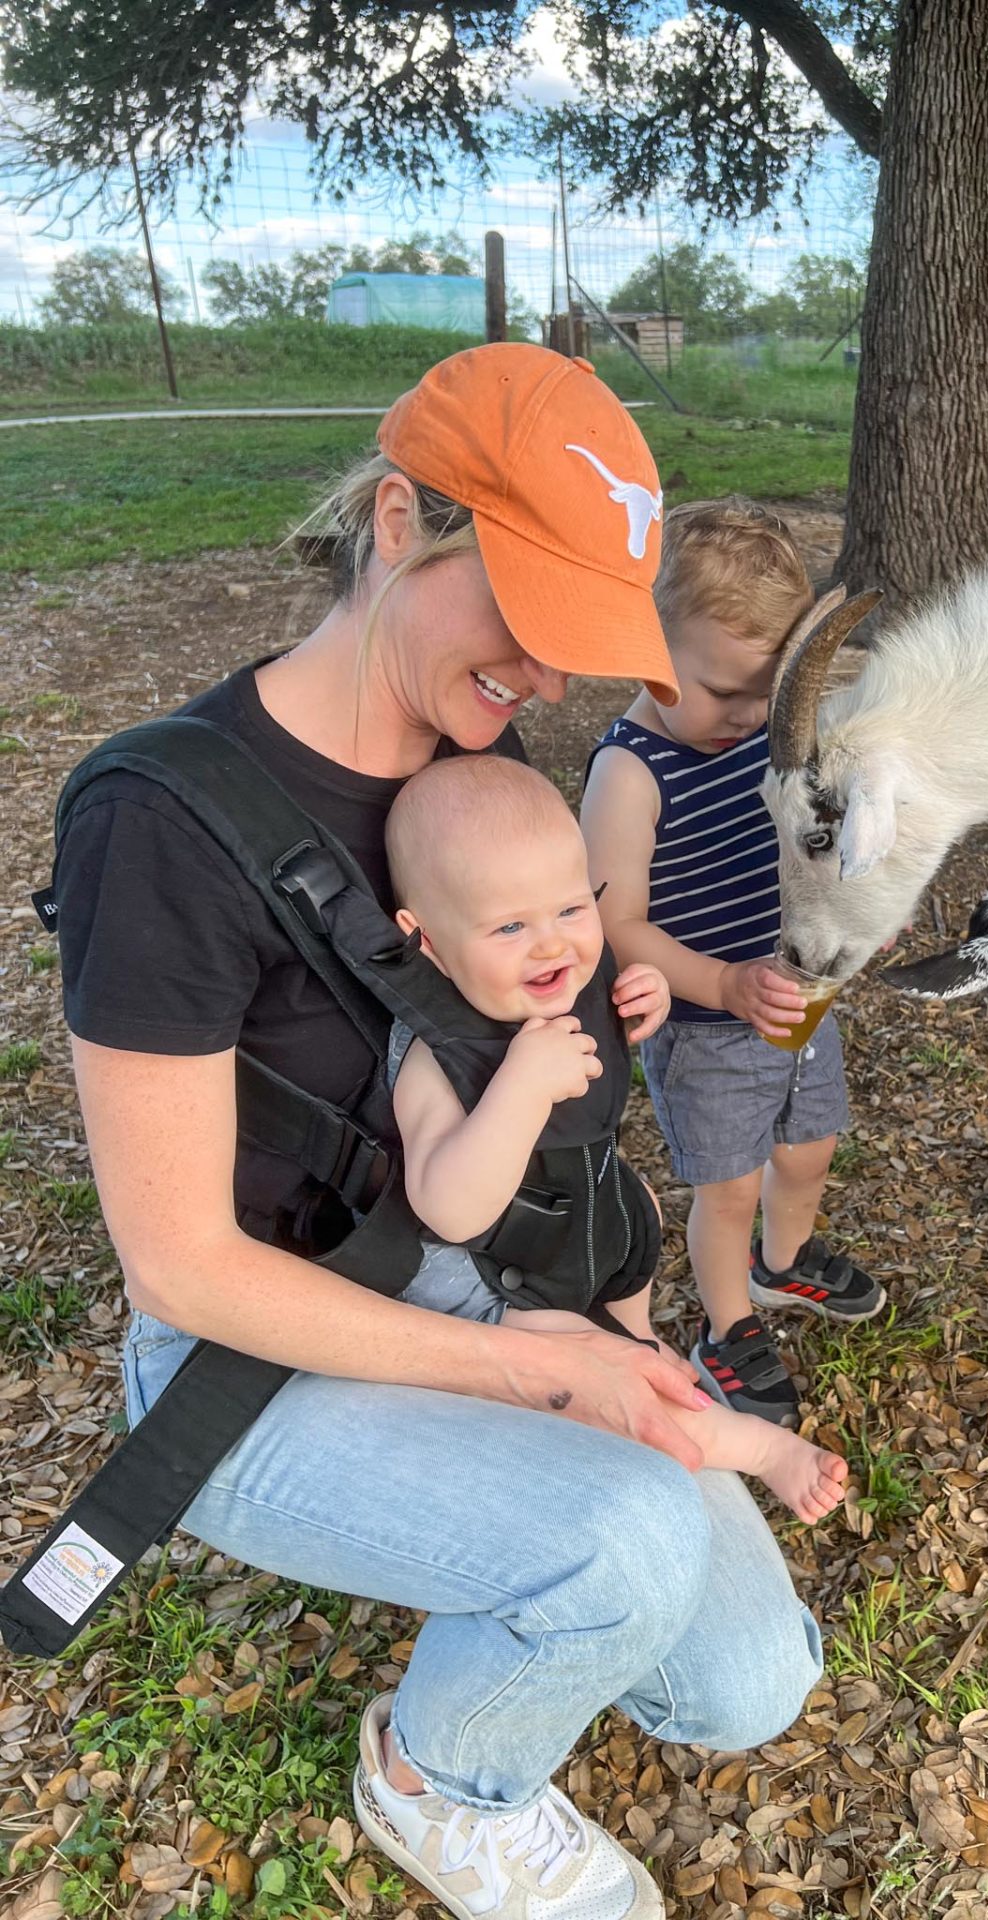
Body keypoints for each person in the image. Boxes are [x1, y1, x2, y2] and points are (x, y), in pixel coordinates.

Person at [53, 348, 823, 1920]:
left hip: (499, 1281)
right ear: (399, 520)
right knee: (621, 1540)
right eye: (528, 628)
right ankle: (435, 1777)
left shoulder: (481, 768)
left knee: (751, 1684)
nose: (545, 684)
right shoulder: (162, 825)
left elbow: (540, 1096)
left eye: (573, 648)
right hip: (268, 1353)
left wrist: (608, 1061)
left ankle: (549, 1574)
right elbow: (185, 1268)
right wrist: (550, 1373)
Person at [384, 751, 848, 1522]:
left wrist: (648, 994)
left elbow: (600, 1057)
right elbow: (450, 1209)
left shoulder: (575, 979)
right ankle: (762, 1450)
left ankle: (642, 1350)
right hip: (513, 1284)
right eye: (509, 925)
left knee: (636, 1339)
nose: (553, 946)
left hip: (601, 1231)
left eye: (572, 910)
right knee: (617, 1377)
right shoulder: (437, 1052)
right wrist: (521, 1087)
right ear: (424, 940)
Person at [581, 498, 885, 1432]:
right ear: (646, 648)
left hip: (793, 1003)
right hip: (710, 1028)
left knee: (809, 1148)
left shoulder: (763, 731)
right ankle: (728, 1323)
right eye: (724, 692)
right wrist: (719, 985)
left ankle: (784, 1259)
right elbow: (614, 926)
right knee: (730, 1186)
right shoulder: (629, 773)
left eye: (770, 693)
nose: (752, 716)